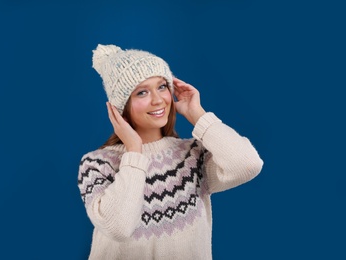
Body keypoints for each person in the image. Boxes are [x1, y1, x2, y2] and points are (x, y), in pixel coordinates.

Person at [77, 44, 263, 260]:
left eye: (162, 86)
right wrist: (134, 152)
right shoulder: (97, 164)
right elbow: (118, 227)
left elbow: (248, 164)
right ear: (121, 107)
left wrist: (198, 115)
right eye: (142, 92)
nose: (158, 100)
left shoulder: (192, 156)